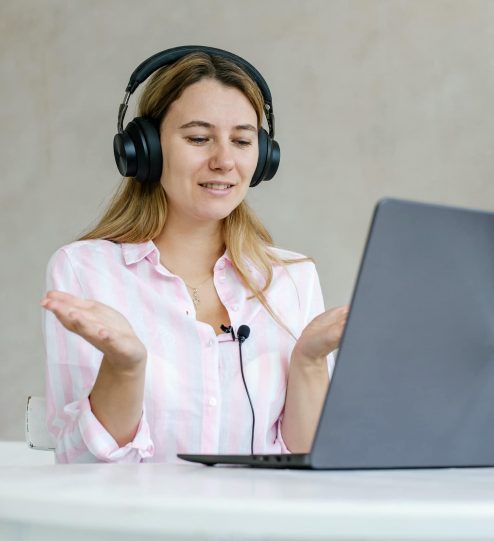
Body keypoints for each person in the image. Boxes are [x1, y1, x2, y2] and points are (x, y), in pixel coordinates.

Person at [40, 46, 348, 464]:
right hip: (140, 527)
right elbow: (81, 464)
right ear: (145, 149)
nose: (224, 161)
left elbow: (310, 466)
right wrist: (125, 367)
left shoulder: (292, 277)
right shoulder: (85, 271)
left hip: (265, 528)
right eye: (199, 138)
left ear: (263, 159)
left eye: (241, 140)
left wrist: (309, 360)